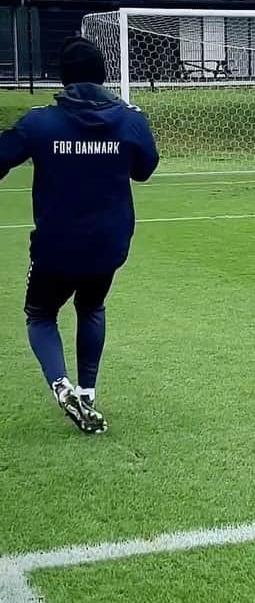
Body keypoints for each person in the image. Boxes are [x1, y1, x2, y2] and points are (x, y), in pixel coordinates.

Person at [0, 36, 159, 434]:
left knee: (40, 315)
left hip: (57, 245)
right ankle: (87, 391)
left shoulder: (39, 122)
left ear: (63, 78)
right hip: (108, 244)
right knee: (91, 307)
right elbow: (145, 169)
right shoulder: (129, 118)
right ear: (104, 75)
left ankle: (62, 385)